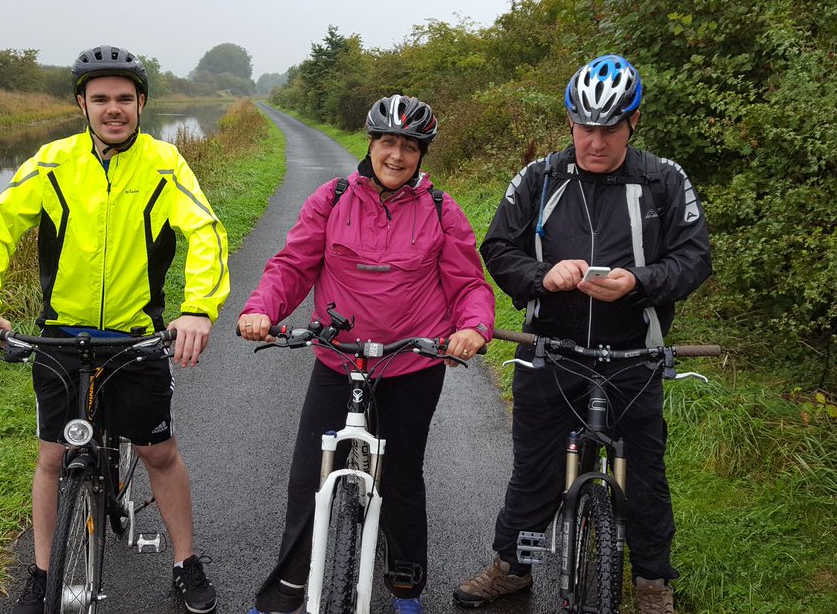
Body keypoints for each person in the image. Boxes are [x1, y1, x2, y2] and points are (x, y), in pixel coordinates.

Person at [0, 45, 230, 614]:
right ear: (81, 103)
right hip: (62, 335)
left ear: (141, 104)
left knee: (158, 453)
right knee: (53, 458)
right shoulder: (53, 162)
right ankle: (42, 574)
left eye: (124, 98)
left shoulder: (163, 163)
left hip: (135, 337)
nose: (113, 109)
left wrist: (197, 309)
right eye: (100, 98)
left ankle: (185, 562)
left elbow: (204, 232)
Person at [453, 55, 712, 614]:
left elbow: (694, 259)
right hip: (551, 351)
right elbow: (498, 248)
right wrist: (541, 277)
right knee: (535, 469)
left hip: (634, 355)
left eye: (609, 129)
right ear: (570, 121)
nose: (595, 142)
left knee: (644, 474)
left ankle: (652, 583)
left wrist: (639, 282)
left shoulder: (664, 180)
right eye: (584, 128)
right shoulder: (539, 177)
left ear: (633, 121)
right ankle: (512, 568)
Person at [237, 95, 495, 614]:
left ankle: (406, 588)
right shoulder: (332, 199)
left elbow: (469, 282)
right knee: (308, 477)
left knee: (401, 476)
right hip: (340, 358)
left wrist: (473, 327)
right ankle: (287, 590)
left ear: (421, 154)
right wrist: (262, 309)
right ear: (371, 144)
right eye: (388, 142)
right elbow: (292, 265)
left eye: (409, 147)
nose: (396, 155)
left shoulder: (441, 209)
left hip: (411, 363)